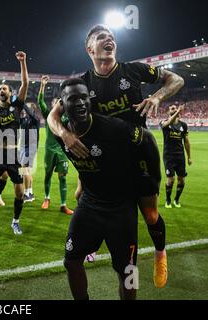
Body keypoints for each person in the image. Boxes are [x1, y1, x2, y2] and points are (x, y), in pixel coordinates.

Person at [48, 25, 185, 288]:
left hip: (139, 156)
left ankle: (160, 253)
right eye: (102, 38)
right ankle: (89, 245)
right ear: (90, 49)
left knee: (151, 216)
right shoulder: (82, 84)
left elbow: (176, 80)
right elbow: (54, 116)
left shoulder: (134, 70)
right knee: (82, 198)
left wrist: (156, 96)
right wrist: (65, 135)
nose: (109, 40)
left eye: (112, 37)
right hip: (103, 160)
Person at [57, 78, 153, 300]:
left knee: (129, 271)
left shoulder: (112, 127)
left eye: (84, 97)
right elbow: (52, 119)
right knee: (71, 261)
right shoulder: (59, 131)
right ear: (62, 104)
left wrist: (149, 184)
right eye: (73, 99)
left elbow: (146, 141)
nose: (81, 103)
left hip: (121, 209)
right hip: (90, 205)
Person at [0, 51, 29, 238]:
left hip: (12, 156)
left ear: (10, 93)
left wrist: (23, 62)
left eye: (5, 89)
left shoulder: (16, 107)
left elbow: (25, 83)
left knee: (20, 192)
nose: (2, 90)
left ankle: (15, 222)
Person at [37, 76, 73, 214]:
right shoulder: (48, 115)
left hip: (62, 151)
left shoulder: (67, 117)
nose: (57, 104)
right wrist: (42, 85)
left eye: (59, 102)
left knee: (62, 177)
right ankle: (47, 198)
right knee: (48, 175)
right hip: (49, 150)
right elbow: (40, 101)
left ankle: (63, 205)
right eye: (55, 102)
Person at [160, 104, 192, 208]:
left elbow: (186, 142)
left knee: (181, 179)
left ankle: (176, 200)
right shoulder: (164, 122)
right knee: (171, 179)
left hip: (180, 156)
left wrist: (189, 157)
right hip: (168, 156)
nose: (174, 109)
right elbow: (168, 123)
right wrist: (178, 111)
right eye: (172, 108)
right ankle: (168, 200)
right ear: (168, 112)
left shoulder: (183, 125)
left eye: (175, 108)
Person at [19, 102, 40, 202]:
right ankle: (30, 192)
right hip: (24, 147)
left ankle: (26, 194)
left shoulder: (35, 119)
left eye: (27, 107)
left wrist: (22, 103)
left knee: (24, 169)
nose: (25, 109)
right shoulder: (24, 120)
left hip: (30, 147)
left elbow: (29, 112)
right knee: (26, 170)